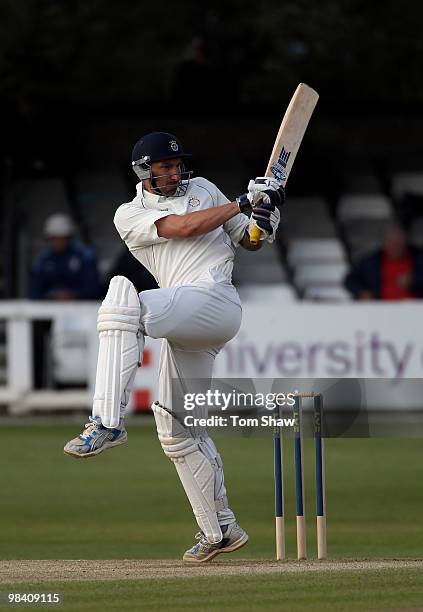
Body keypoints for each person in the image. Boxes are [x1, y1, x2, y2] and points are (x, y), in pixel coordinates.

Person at [63, 131, 284, 563]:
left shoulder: (203, 189)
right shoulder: (128, 215)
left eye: (177, 165)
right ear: (144, 172)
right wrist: (243, 201)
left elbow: (249, 240)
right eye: (164, 167)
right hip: (185, 312)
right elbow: (184, 228)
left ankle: (106, 422)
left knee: (124, 298)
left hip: (217, 301)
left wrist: (264, 217)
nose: (174, 173)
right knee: (177, 429)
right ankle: (219, 528)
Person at [29, 214, 102, 300]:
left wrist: (74, 295)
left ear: (69, 237)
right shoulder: (43, 260)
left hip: (81, 308)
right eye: (54, 238)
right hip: (49, 308)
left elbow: (94, 288)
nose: (58, 242)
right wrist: (52, 296)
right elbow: (34, 291)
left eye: (61, 238)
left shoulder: (84, 256)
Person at [344, 223, 423, 300]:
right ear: (384, 242)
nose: (395, 245)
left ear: (405, 241)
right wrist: (361, 292)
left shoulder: (418, 258)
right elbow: (349, 280)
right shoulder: (370, 261)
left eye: (398, 242)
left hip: (415, 307)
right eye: (391, 242)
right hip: (381, 308)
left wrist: (413, 281)